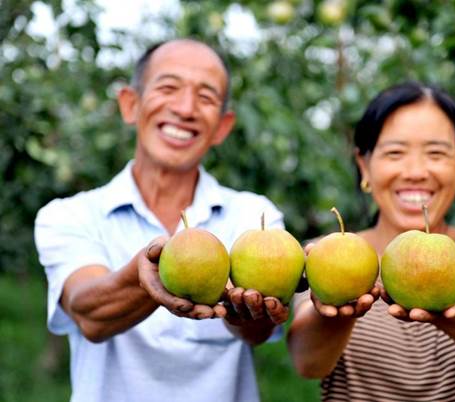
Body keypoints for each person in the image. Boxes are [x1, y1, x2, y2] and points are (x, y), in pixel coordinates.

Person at [34, 39, 291, 402]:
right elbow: (88, 313)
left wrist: (247, 311)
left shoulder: (253, 217)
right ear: (130, 104)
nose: (185, 108)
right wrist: (144, 276)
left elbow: (258, 330)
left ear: (222, 126)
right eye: (168, 88)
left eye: (205, 97)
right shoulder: (69, 215)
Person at [287, 81, 455, 401]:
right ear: (364, 166)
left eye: (436, 153)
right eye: (395, 153)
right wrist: (338, 306)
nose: (415, 171)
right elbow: (307, 362)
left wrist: (442, 296)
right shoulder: (326, 252)